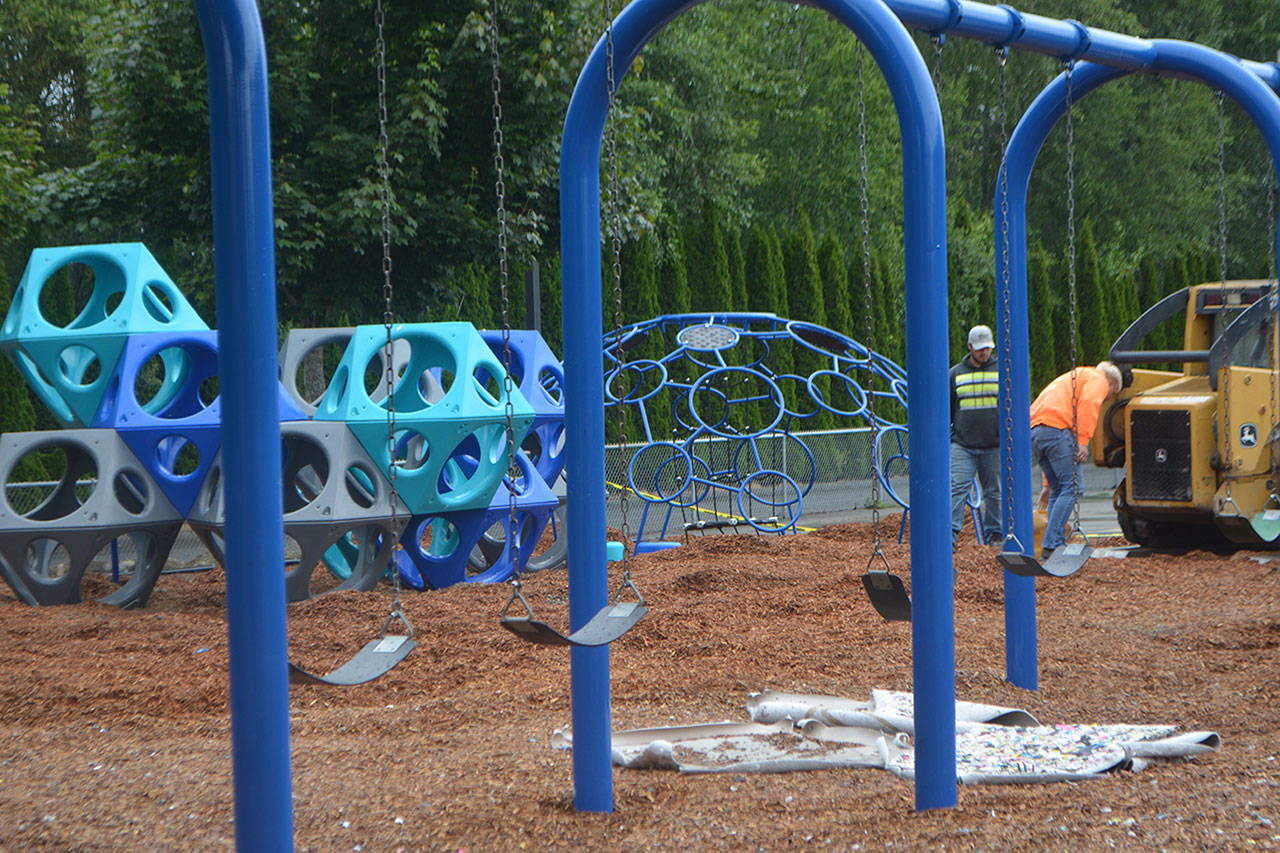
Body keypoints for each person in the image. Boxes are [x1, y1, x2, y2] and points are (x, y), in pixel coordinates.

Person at [1029, 361, 1123, 559]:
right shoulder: (1098, 378)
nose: (1107, 397)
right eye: (1112, 393)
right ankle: (1054, 543)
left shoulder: (1073, 377)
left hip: (1037, 431)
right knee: (1073, 487)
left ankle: (1052, 546)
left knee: (1059, 488)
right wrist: (1082, 441)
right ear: (1112, 383)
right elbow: (1089, 403)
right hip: (1057, 430)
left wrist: (1046, 485)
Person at [950, 324, 1002, 547]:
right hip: (964, 444)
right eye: (980, 348)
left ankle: (996, 534)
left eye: (988, 348)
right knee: (957, 487)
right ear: (970, 346)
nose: (984, 352)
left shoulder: (1002, 370)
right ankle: (950, 534)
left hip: (994, 444)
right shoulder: (955, 374)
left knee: (994, 491)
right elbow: (949, 408)